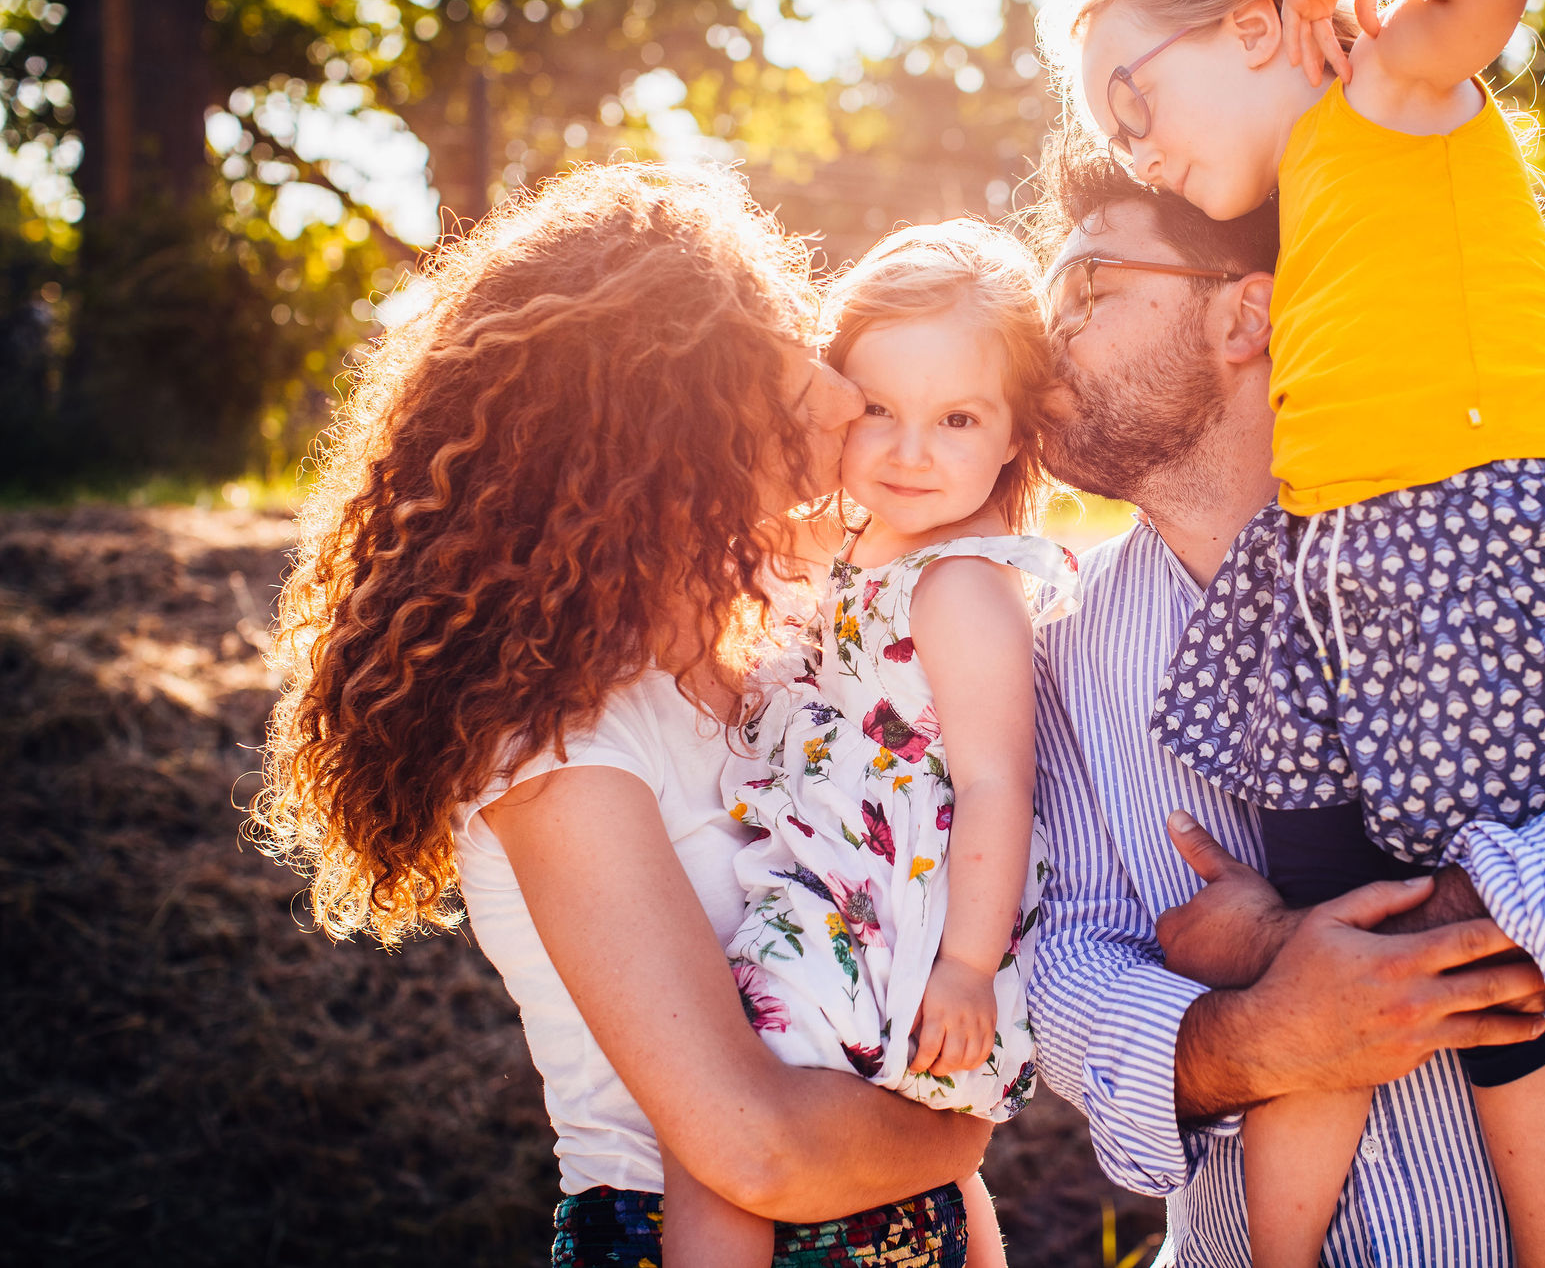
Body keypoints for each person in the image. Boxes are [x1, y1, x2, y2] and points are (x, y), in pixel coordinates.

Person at [1037, 0, 1545, 1264]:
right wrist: (1265, 1021)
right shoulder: (1061, 643)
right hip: (1261, 1224)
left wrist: (1291, 942)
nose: (1044, 336)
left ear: (1246, 313)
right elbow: (1056, 976)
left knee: (1523, 1010)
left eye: (1087, 287)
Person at [251, 162, 996, 1267]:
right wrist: (969, 1116)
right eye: (760, 346)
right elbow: (760, 1149)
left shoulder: (784, 649)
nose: (817, 380)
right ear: (671, 427)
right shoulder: (557, 749)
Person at [671, 221, 1078, 1267]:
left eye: (954, 418)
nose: (908, 452)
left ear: (1013, 434)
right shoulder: (860, 536)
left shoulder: (958, 587)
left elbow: (996, 785)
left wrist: (968, 967)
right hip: (840, 884)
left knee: (712, 1119)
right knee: (920, 1156)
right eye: (878, 412)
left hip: (897, 919)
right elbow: (724, 541)